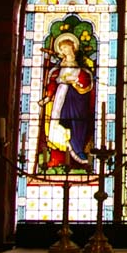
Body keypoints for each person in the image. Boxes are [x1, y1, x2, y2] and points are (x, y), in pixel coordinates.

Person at [39, 33, 94, 166]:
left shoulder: (81, 68)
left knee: (75, 125)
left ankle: (78, 151)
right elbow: (52, 83)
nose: (64, 50)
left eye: (66, 47)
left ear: (73, 47)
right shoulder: (58, 69)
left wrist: (75, 82)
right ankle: (57, 158)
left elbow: (86, 83)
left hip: (75, 100)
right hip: (60, 100)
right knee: (57, 125)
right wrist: (47, 97)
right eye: (62, 48)